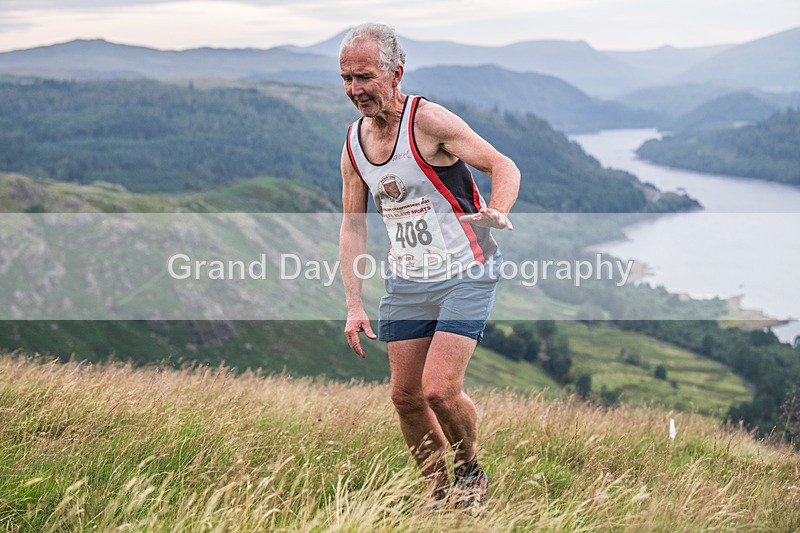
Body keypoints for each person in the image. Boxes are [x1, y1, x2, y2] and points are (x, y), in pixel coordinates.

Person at [338, 22, 520, 509]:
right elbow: (353, 227)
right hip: (408, 280)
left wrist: (498, 209)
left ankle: (470, 475)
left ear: (396, 73)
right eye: (346, 79)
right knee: (405, 397)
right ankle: (440, 494)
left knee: (439, 390)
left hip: (467, 270)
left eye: (365, 77)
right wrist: (354, 303)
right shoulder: (354, 145)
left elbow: (503, 166)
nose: (356, 90)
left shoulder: (429, 122)